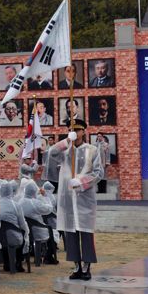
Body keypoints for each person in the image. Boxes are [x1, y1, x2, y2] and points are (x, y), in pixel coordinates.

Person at [45, 120, 104, 280]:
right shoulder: (65, 151)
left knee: (85, 233)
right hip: (67, 200)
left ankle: (86, 267)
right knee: (70, 234)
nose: (75, 133)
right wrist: (66, 141)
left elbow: (99, 173)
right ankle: (76, 266)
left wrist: (82, 181)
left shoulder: (92, 150)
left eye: (78, 130)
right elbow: (51, 153)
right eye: (72, 130)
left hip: (84, 198)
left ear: (84, 131)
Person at [20, 180, 54, 265]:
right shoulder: (35, 203)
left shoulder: (19, 202)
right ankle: (48, 257)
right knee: (52, 232)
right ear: (34, 192)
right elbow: (49, 209)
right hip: (37, 231)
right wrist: (45, 196)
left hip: (23, 232)